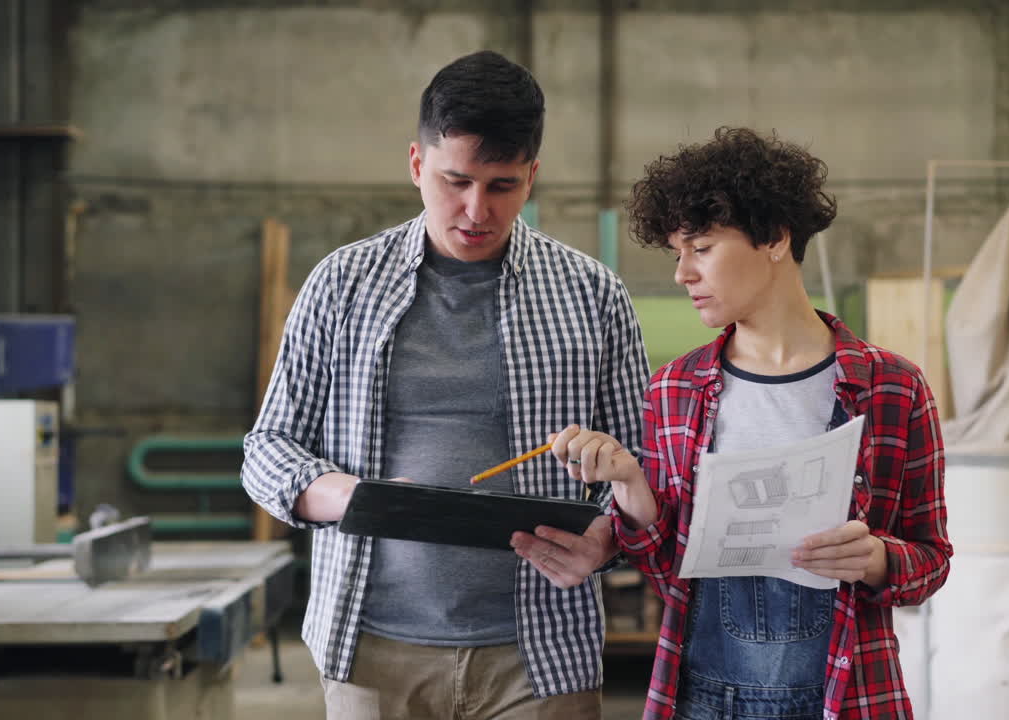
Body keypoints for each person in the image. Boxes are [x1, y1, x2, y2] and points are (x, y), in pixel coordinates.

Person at [241, 50, 650, 719]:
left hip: (540, 656)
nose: (474, 210)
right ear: (415, 164)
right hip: (372, 650)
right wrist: (352, 498)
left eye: (502, 186)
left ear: (533, 177)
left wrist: (608, 538)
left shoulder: (592, 295)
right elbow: (268, 448)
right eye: (453, 180)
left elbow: (642, 466)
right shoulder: (342, 286)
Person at [534, 127, 951, 720]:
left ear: (775, 237)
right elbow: (661, 561)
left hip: (844, 696)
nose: (682, 273)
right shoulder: (674, 389)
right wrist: (629, 484)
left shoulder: (893, 387)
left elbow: (932, 558)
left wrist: (879, 559)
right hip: (703, 697)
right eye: (678, 252)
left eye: (701, 248)